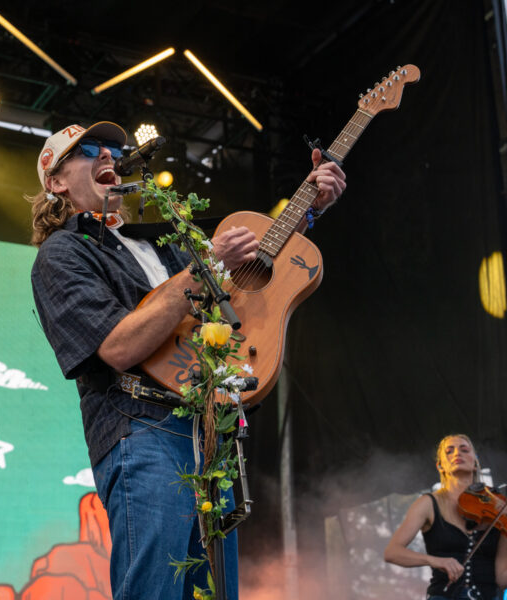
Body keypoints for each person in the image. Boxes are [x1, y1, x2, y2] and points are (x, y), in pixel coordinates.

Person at [29, 120, 346, 600]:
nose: (108, 156)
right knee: (155, 589)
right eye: (88, 150)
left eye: (112, 149)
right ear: (56, 182)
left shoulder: (159, 241)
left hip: (208, 431)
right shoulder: (62, 253)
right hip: (141, 429)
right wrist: (205, 264)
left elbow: (247, 283)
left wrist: (308, 208)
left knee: (216, 591)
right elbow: (117, 347)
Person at [384, 434, 507, 599]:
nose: (457, 453)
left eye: (464, 450)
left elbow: (501, 578)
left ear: (475, 463)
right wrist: (434, 560)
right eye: (449, 451)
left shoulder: (499, 508)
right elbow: (392, 552)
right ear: (440, 466)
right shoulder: (427, 503)